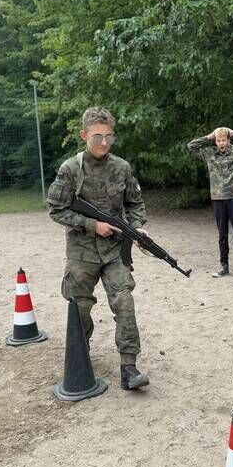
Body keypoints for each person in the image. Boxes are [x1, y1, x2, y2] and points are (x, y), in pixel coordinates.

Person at [46, 106, 150, 390]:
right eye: (97, 137)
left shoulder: (122, 167)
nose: (104, 143)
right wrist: (93, 225)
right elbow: (56, 209)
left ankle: (129, 368)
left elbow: (135, 203)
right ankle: (80, 358)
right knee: (79, 306)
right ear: (84, 135)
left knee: (124, 302)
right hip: (82, 252)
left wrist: (137, 228)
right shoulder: (71, 169)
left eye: (109, 136)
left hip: (114, 249)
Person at [187, 127, 233, 280]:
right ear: (215, 141)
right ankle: (224, 265)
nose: (221, 143)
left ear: (228, 140)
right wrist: (209, 136)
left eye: (224, 140)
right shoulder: (209, 153)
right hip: (218, 198)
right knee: (222, 234)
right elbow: (191, 146)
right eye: (218, 140)